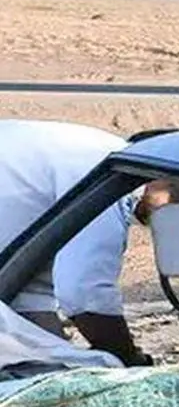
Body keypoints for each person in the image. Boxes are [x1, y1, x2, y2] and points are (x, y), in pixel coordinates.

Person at [0, 119, 165, 365]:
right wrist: (129, 361)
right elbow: (85, 293)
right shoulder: (114, 175)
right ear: (165, 177)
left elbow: (30, 304)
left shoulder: (94, 155)